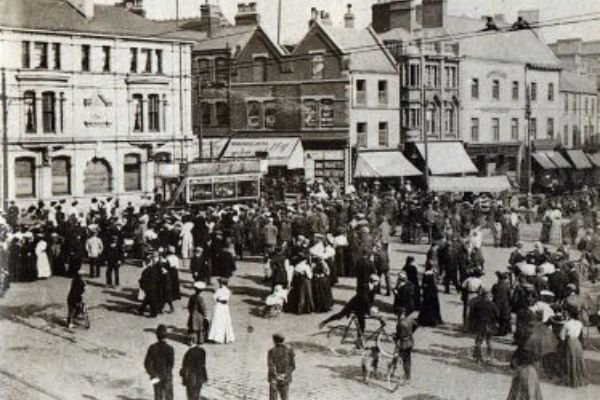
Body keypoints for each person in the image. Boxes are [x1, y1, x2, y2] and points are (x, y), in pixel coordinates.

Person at [318, 274, 380, 345]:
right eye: (378, 281)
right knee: (340, 315)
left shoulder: (373, 288)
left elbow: (370, 300)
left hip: (361, 307)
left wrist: (371, 308)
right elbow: (365, 299)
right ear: (374, 281)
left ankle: (360, 341)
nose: (378, 283)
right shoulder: (364, 286)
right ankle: (325, 321)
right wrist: (369, 309)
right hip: (353, 306)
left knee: (362, 325)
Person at [468, 287, 499, 363]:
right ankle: (490, 358)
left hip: (480, 324)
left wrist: (472, 324)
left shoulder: (476, 303)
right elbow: (497, 315)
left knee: (478, 341)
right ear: (489, 296)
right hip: (490, 325)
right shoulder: (493, 304)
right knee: (489, 341)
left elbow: (471, 315)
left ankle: (478, 358)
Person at [144, 324, 174, 400]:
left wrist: (152, 373)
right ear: (166, 336)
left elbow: (147, 363)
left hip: (155, 375)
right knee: (169, 396)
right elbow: (171, 364)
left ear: (157, 335)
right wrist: (167, 372)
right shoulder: (170, 348)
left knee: (157, 396)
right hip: (167, 375)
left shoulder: (152, 347)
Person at [560, 308, 588, 387]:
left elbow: (562, 336)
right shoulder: (580, 323)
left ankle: (571, 380)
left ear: (569, 315)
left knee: (571, 359)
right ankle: (581, 379)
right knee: (578, 359)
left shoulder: (567, 324)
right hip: (577, 342)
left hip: (570, 341)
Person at [268, 333, 295, 400]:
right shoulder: (290, 350)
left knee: (273, 398)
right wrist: (285, 374)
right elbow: (293, 366)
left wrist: (276, 375)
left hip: (274, 378)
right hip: (285, 378)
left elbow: (271, 365)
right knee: (285, 397)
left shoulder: (271, 351)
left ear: (274, 340)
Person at [208, 278, 235, 344]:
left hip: (219, 306)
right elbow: (228, 298)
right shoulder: (228, 291)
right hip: (225, 307)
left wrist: (217, 297)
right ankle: (226, 337)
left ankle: (217, 338)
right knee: (225, 320)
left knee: (217, 320)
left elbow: (214, 297)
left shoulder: (219, 290)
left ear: (222, 284)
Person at [395, 309, 418, 383]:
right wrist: (411, 333)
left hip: (403, 344)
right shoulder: (410, 319)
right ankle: (408, 376)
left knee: (400, 358)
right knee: (408, 359)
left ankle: (405, 376)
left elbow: (398, 335)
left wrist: (395, 337)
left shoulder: (400, 323)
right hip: (410, 342)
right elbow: (415, 325)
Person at [492, 271, 512, 336]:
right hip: (505, 303)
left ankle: (501, 331)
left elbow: (493, 293)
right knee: (505, 317)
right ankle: (505, 330)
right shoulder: (507, 287)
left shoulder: (495, 286)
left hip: (497, 303)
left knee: (499, 317)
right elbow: (509, 295)